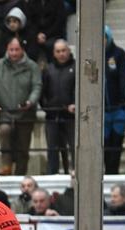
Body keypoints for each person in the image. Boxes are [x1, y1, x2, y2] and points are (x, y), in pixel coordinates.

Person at [0, 36, 41, 176]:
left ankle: (21, 174)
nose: (14, 53)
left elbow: (37, 86)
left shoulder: (32, 66)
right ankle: (6, 166)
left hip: (25, 112)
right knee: (4, 131)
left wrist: (31, 101)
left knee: (23, 146)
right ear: (7, 50)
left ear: (22, 50)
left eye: (17, 50)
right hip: (5, 110)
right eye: (11, 50)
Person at [41, 39, 76, 175]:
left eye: (64, 50)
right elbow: (42, 92)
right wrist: (46, 107)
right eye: (58, 51)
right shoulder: (48, 70)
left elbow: (80, 90)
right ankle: (52, 174)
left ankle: (76, 173)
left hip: (71, 116)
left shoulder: (76, 68)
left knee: (74, 147)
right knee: (52, 149)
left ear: (69, 51)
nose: (61, 54)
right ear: (54, 53)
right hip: (52, 115)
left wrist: (75, 104)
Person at [103, 25, 125, 175]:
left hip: (118, 108)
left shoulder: (119, 54)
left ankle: (114, 173)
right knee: (105, 145)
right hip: (103, 110)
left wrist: (124, 100)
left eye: (104, 37)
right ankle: (107, 174)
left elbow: (124, 77)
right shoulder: (92, 55)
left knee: (116, 143)